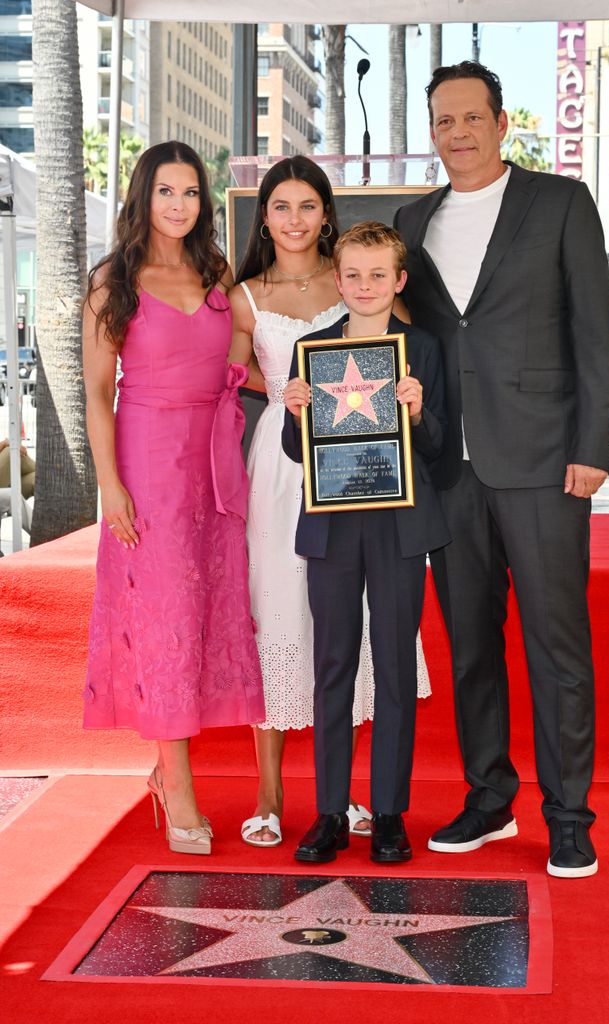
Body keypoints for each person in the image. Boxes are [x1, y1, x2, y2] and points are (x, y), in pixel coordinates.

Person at [395, 61, 609, 878]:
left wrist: (591, 447)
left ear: (500, 122)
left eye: (469, 118)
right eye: (442, 121)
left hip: (543, 459)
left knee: (556, 644)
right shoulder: (412, 219)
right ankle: (488, 797)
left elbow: (595, 328)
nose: (456, 133)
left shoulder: (558, 201)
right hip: (446, 463)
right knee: (468, 647)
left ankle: (568, 816)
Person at [230, 158, 432, 848]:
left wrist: (412, 411)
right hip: (292, 480)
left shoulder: (380, 303)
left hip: (377, 488)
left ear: (326, 214)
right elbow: (241, 375)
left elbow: (413, 397)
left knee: (370, 644)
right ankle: (290, 797)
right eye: (280, 205)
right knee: (295, 627)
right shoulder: (248, 297)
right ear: (264, 216)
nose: (294, 218)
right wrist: (288, 403)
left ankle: (369, 803)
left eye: (307, 205)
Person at [82, 141, 265, 856]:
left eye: (191, 193)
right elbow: (98, 393)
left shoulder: (217, 271)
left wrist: (253, 374)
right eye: (167, 191)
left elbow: (244, 347)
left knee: (209, 610)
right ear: (142, 196)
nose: (180, 205)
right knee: (162, 621)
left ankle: (180, 772)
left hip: (215, 461)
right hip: (149, 462)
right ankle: (175, 783)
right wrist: (111, 486)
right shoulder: (113, 281)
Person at [282, 222, 449, 864]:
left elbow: (439, 448)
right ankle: (328, 811)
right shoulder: (312, 349)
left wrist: (417, 413)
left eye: (378, 275)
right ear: (338, 278)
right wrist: (297, 412)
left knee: (395, 665)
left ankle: (388, 812)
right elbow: (301, 454)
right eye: (353, 274)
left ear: (399, 281)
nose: (365, 285)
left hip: (401, 524)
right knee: (333, 665)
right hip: (332, 525)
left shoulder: (423, 350)